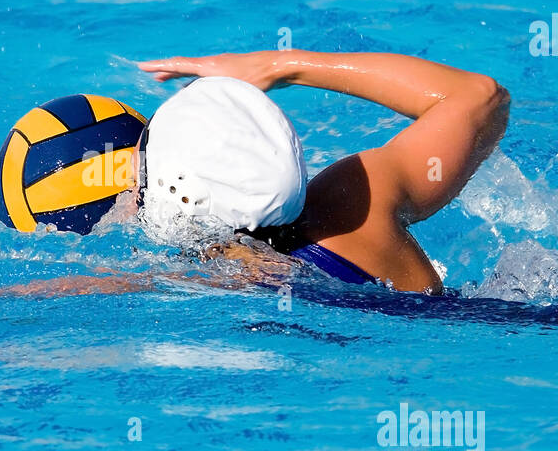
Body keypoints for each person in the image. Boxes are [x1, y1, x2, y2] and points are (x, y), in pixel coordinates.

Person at [131, 50, 510, 294]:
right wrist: (281, 67)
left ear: (177, 193)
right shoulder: (349, 208)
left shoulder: (193, 283)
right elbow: (481, 97)